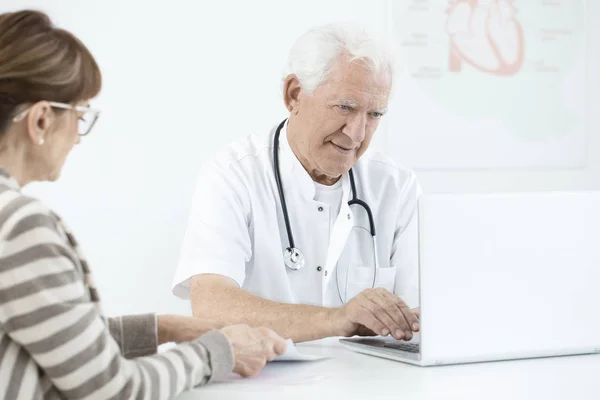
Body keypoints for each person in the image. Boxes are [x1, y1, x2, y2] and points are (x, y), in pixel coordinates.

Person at [0, 10, 286, 400]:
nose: (78, 138)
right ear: (41, 120)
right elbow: (113, 389)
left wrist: (165, 327)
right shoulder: (19, 227)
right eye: (80, 115)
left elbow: (61, 339)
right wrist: (218, 353)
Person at [173, 22, 422, 344]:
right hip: (264, 382)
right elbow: (211, 306)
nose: (357, 133)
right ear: (294, 94)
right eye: (344, 107)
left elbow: (420, 311)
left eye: (374, 115)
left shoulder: (396, 186)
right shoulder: (233, 174)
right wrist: (339, 319)